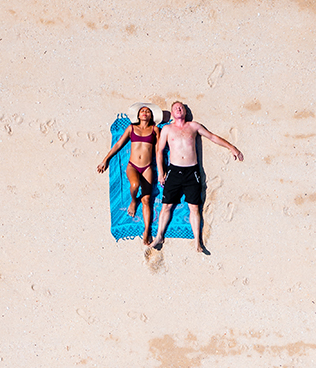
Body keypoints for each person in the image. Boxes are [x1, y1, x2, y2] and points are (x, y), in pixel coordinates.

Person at [149, 101, 244, 255]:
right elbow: (159, 151)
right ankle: (159, 236)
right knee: (166, 205)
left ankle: (197, 241)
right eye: (176, 108)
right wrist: (161, 172)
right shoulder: (167, 129)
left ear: (185, 112)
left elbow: (212, 137)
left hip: (192, 172)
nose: (179, 109)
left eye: (182, 107)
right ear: (172, 113)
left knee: (194, 208)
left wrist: (232, 148)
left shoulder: (193, 126)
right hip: (173, 171)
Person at [97, 102, 163, 245]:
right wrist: (105, 160)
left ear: (151, 116)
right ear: (138, 115)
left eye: (147, 111)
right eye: (142, 111)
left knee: (146, 200)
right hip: (133, 166)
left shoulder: (155, 130)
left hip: (147, 167)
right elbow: (119, 144)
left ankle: (146, 230)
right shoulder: (131, 128)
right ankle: (133, 201)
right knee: (134, 184)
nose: (145, 113)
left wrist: (161, 171)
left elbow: (158, 152)